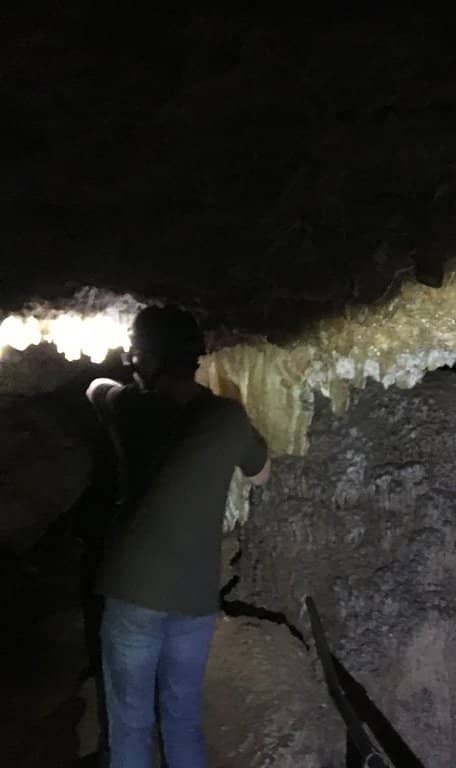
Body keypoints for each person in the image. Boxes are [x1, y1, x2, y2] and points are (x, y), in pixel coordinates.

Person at [86, 305, 270, 768]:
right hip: (194, 599)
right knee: (182, 719)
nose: (132, 364)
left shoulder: (130, 408)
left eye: (136, 355)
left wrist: (130, 383)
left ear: (148, 359)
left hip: (133, 591)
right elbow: (263, 473)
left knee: (130, 724)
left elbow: (95, 389)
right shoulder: (227, 417)